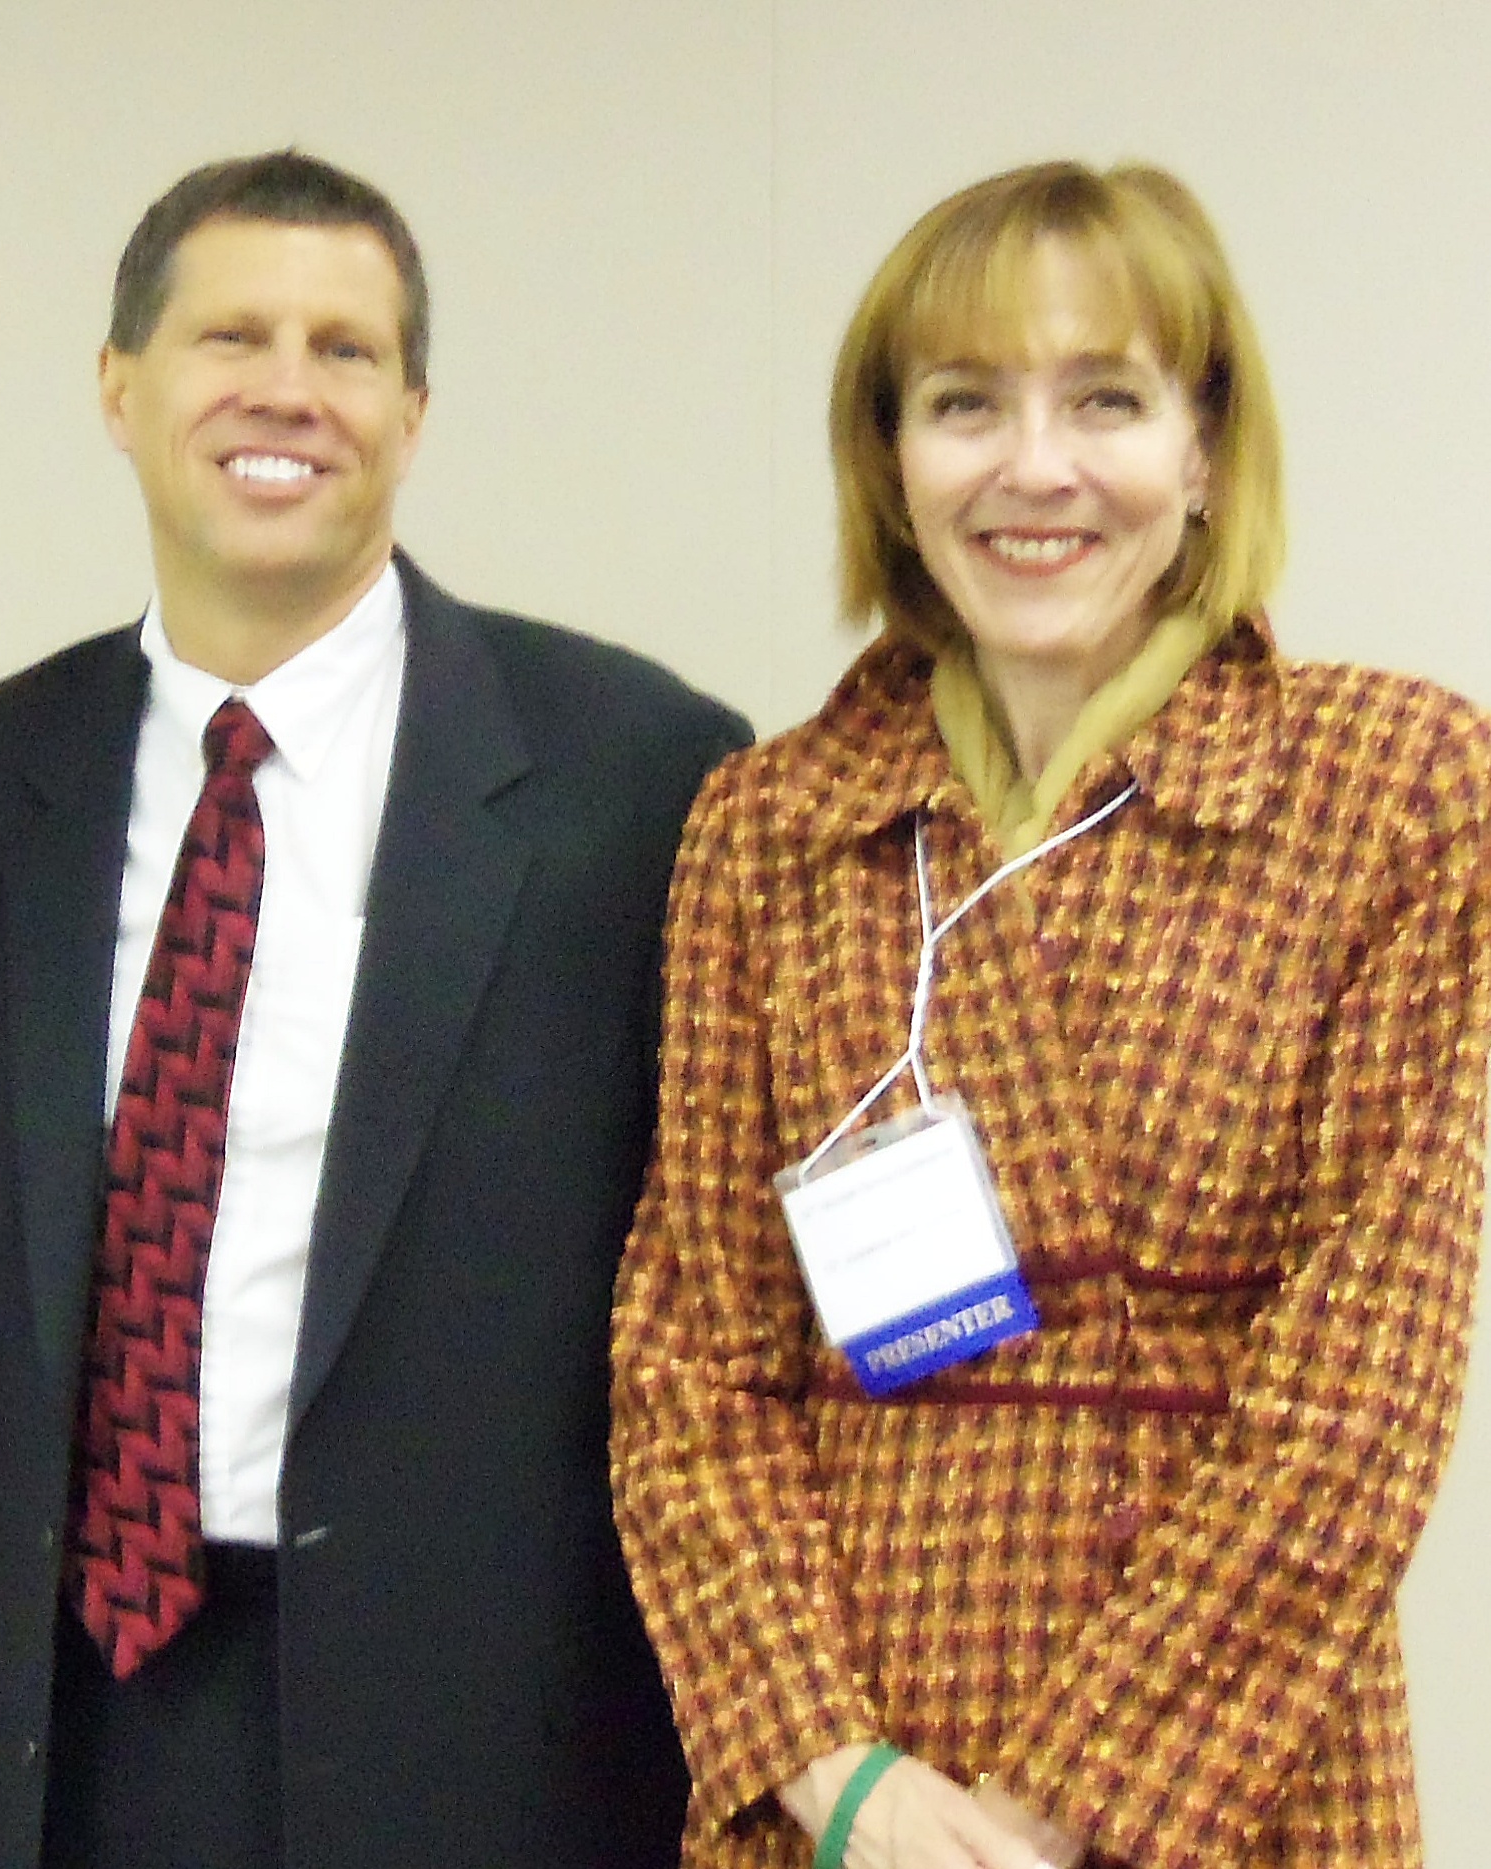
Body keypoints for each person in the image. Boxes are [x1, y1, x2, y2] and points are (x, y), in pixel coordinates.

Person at [612, 159, 1489, 1869]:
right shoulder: (767, 826)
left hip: (1231, 1774)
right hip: (849, 1782)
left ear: (1204, 449)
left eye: (1105, 397)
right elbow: (690, 1370)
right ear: (890, 460)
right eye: (964, 403)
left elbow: (1361, 1389)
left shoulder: (1396, 787)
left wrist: (1048, 1813)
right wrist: (833, 1772)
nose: (1034, 466)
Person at [0, 149, 750, 1869]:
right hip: (85, 1712)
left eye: (345, 350)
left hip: (491, 1734)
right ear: (119, 388)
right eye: (231, 337)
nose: (287, 388)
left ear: (413, 412)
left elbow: (708, 1279)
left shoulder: (638, 775)